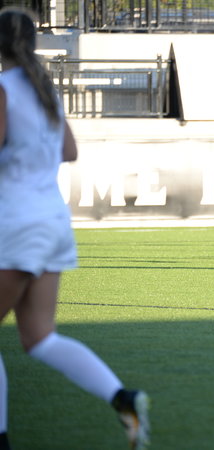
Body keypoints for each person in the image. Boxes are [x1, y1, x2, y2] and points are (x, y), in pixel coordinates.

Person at [0, 7, 150, 450]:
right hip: (51, 219)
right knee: (40, 338)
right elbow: (68, 150)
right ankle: (122, 398)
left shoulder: (4, 88)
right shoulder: (44, 87)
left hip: (14, 221)